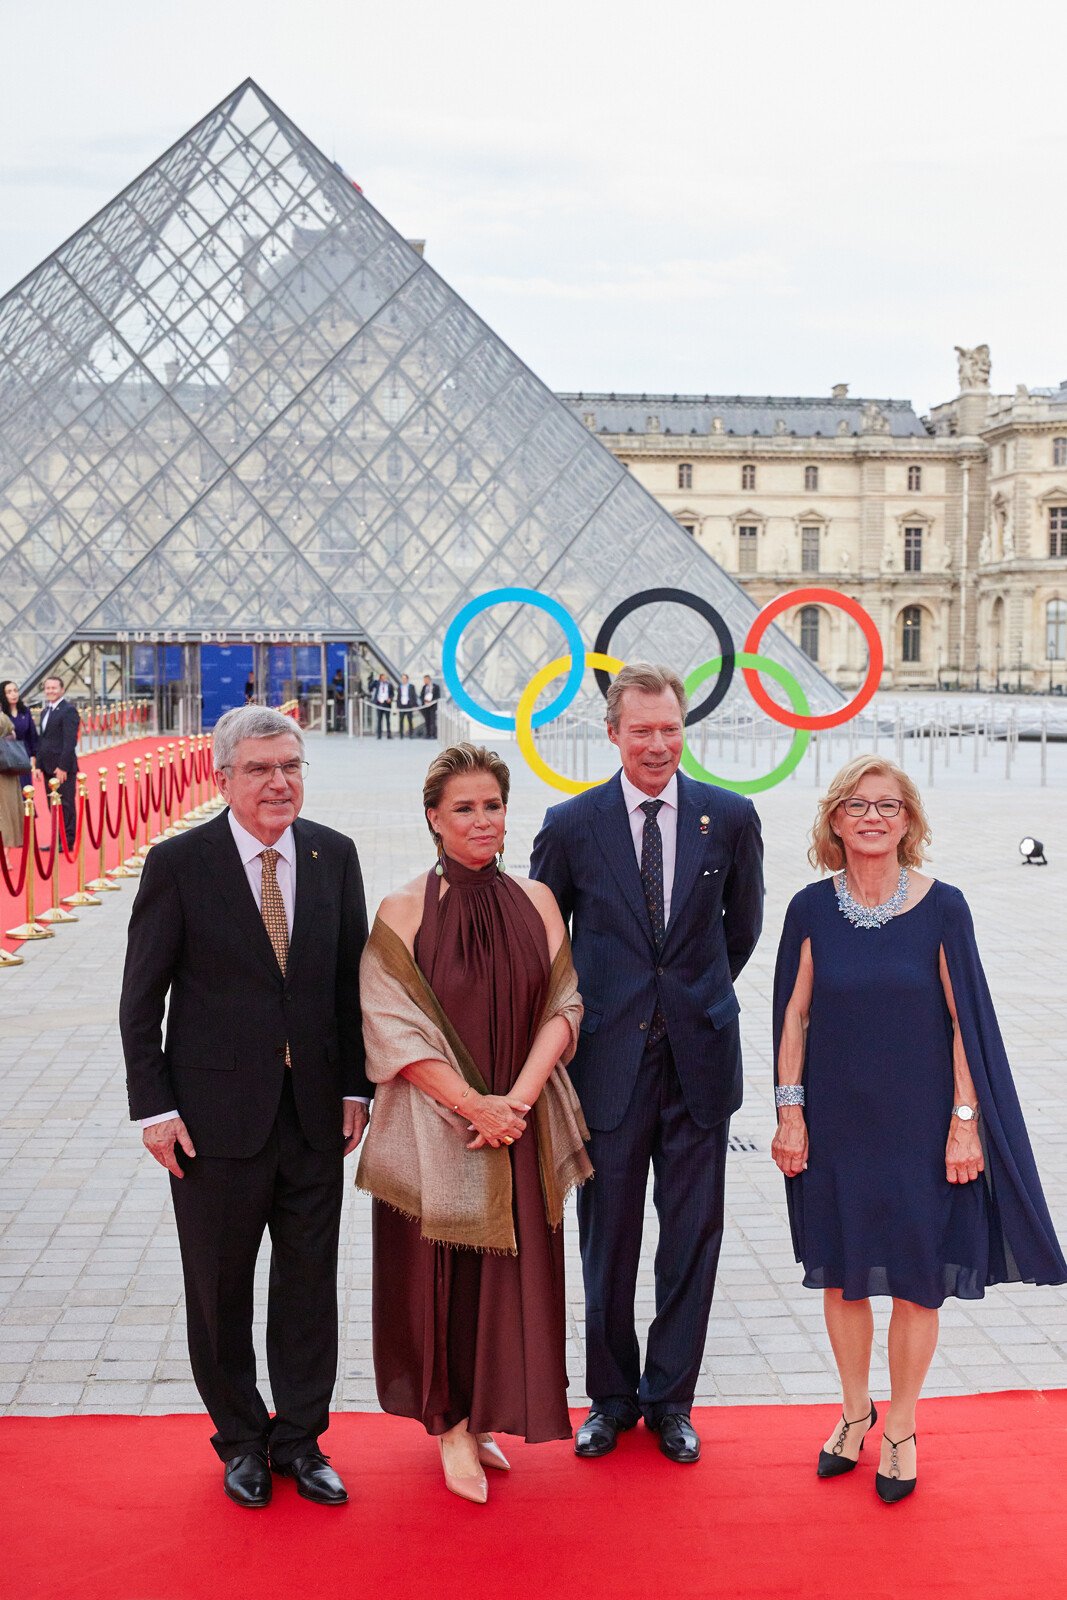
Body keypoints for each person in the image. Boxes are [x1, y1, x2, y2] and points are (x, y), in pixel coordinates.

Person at [772, 755, 1066, 1504]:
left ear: (910, 823)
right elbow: (792, 1016)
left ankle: (899, 1426)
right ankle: (852, 1410)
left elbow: (966, 1022)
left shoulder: (944, 907)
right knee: (842, 1274)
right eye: (857, 805)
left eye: (889, 806)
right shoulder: (808, 908)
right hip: (834, 1123)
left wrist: (964, 1122)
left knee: (914, 1278)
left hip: (919, 1125)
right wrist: (788, 1111)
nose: (873, 817)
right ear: (834, 820)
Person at [119, 705, 371, 1510]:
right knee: (219, 1290)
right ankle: (240, 1442)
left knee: (308, 1287)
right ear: (221, 777)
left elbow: (346, 986)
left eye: (290, 766)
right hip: (212, 1124)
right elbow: (139, 1002)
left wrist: (354, 1088)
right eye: (260, 769)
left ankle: (300, 1438)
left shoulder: (334, 855)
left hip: (312, 1120)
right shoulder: (179, 864)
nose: (279, 783)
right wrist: (153, 1110)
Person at [530, 663, 764, 1464]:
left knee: (691, 1238)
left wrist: (686, 1000)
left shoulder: (729, 818)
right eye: (642, 730)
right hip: (605, 1068)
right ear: (612, 733)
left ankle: (670, 1401)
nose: (658, 744)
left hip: (699, 1064)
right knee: (608, 1242)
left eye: (669, 729)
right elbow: (545, 943)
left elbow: (741, 931)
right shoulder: (569, 825)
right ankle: (609, 1399)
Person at [357, 743, 591, 1503]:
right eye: (464, 807)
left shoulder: (538, 900)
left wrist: (514, 1104)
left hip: (517, 1124)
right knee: (441, 1278)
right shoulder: (402, 908)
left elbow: (564, 1007)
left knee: (506, 1277)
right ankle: (450, 1424)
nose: (482, 820)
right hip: (440, 1131)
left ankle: (486, 1413)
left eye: (492, 805)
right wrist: (473, 1106)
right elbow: (391, 1029)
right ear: (433, 817)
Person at [36, 675, 79, 850]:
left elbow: (70, 742)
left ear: (61, 690)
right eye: (47, 688)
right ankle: (57, 840)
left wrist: (63, 767)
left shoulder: (68, 710)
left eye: (54, 688)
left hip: (63, 769)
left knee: (66, 805)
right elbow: (43, 740)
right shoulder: (46, 711)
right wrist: (38, 765)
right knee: (52, 806)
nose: (50, 691)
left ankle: (67, 842)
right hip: (47, 767)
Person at [0, 707, 24, 865]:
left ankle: (6, 856)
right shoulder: (4, 718)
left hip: (4, 772)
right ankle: (6, 857)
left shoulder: (3, 718)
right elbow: (13, 736)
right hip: (6, 771)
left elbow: (12, 736)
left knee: (6, 814)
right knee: (7, 813)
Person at [2, 681, 36, 789]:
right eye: (9, 692)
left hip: (22, 757)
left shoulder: (25, 711)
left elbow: (32, 735)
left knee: (26, 790)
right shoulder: (1, 714)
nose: (13, 694)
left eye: (15, 690)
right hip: (5, 758)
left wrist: (34, 756)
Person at [372, 672, 395, 739]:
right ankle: (379, 735)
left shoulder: (389, 685)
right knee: (379, 719)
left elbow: (392, 694)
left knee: (388, 720)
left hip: (386, 704)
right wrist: (376, 680)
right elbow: (370, 687)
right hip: (379, 703)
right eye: (382, 677)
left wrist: (390, 698)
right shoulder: (377, 684)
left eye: (384, 677)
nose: (384, 678)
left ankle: (389, 735)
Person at [396, 673, 417, 738]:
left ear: (407, 679)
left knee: (410, 720)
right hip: (402, 705)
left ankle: (411, 734)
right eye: (402, 679)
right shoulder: (399, 686)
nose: (403, 680)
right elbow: (398, 696)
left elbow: (414, 695)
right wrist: (398, 705)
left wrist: (414, 704)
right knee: (401, 720)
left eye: (405, 678)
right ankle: (401, 734)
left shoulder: (411, 686)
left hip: (409, 704)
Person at [419, 673, 439, 740]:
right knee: (427, 720)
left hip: (433, 706)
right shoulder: (424, 687)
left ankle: (434, 734)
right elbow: (421, 696)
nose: (424, 681)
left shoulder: (436, 687)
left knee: (432, 721)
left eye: (425, 680)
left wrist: (431, 701)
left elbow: (437, 696)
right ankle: (428, 734)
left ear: (429, 679)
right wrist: (424, 701)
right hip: (425, 706)